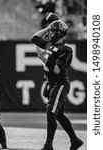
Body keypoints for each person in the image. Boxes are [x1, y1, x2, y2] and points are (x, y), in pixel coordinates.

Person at [31, 20, 83, 150]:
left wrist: (43, 58)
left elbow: (57, 70)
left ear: (59, 34)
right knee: (58, 115)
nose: (50, 33)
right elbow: (35, 37)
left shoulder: (65, 49)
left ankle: (48, 145)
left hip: (61, 84)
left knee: (51, 112)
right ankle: (75, 140)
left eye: (53, 31)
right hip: (53, 83)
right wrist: (49, 27)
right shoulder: (50, 45)